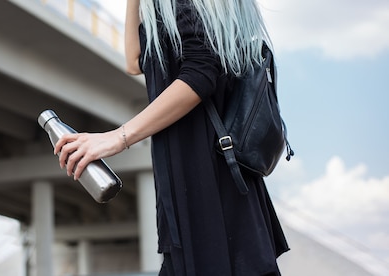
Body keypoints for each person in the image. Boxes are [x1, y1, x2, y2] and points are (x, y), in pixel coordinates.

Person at [54, 0, 289, 275]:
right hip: (193, 190)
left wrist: (119, 137)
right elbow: (134, 61)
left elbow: (201, 73)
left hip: (210, 186)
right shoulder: (162, 8)